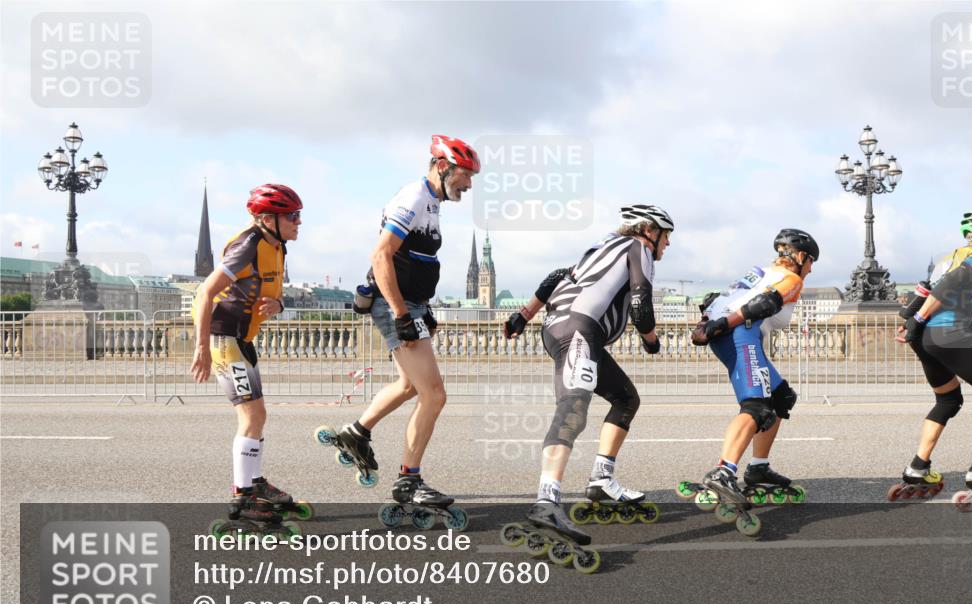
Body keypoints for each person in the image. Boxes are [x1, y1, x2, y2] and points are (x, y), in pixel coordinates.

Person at [504, 204, 672, 549]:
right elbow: (641, 303)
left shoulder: (600, 248)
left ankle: (601, 478)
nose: (667, 245)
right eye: (666, 236)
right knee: (573, 407)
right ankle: (547, 501)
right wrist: (651, 340)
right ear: (649, 231)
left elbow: (554, 277)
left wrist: (523, 315)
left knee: (626, 398)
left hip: (563, 326)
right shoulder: (638, 248)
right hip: (580, 328)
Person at [327, 135, 480, 516]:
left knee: (410, 385)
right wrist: (401, 314)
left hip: (411, 304)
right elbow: (381, 256)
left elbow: (413, 262)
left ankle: (356, 433)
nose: (470, 184)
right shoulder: (413, 197)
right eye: (465, 175)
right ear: (443, 167)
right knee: (435, 394)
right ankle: (409, 480)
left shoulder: (432, 203)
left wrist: (421, 308)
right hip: (395, 304)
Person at [190, 184, 311, 533]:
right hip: (225, 338)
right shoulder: (248, 245)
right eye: (292, 215)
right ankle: (243, 496)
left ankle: (254, 483)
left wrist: (279, 304)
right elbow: (206, 291)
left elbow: (271, 292)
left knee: (258, 416)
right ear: (267, 219)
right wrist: (201, 348)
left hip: (242, 338)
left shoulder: (277, 246)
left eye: (299, 214)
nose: (298, 221)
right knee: (252, 415)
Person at [689, 229, 818, 516]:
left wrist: (706, 326)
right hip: (740, 334)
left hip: (728, 332)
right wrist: (720, 327)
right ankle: (723, 472)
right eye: (811, 261)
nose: (811, 268)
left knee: (781, 397)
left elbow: (714, 300)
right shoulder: (792, 279)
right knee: (757, 407)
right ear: (799, 256)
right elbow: (763, 305)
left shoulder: (758, 271)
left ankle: (758, 468)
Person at [893, 208, 972, 508]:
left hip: (928, 338)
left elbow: (924, 291)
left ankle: (918, 467)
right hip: (949, 333)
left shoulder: (947, 256)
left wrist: (910, 323)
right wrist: (918, 319)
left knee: (948, 400)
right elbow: (953, 282)